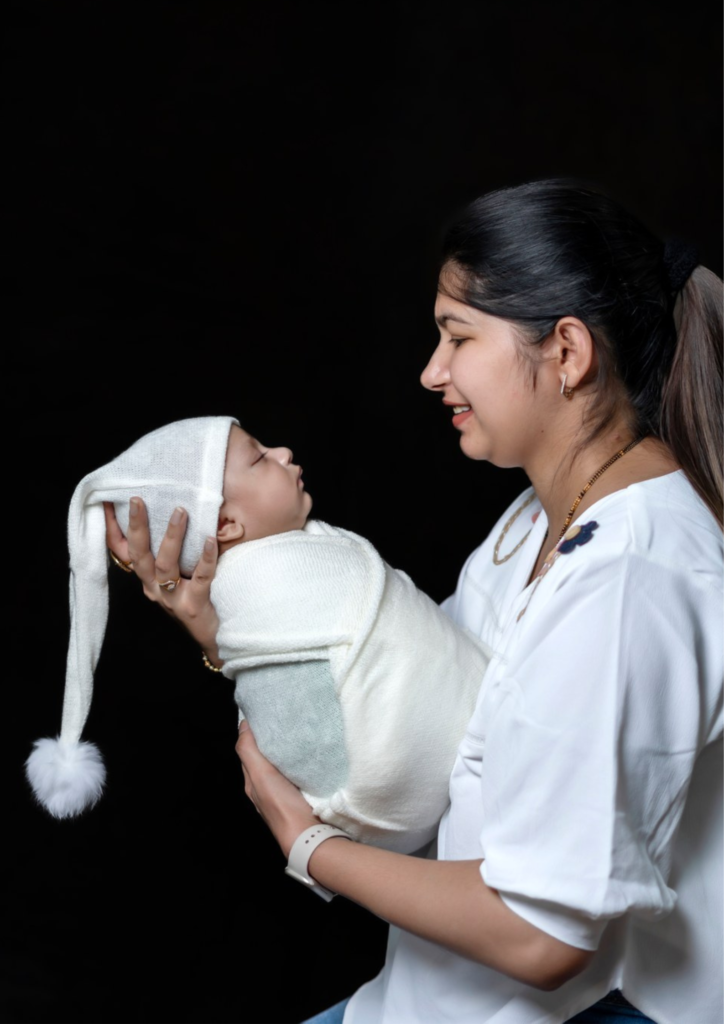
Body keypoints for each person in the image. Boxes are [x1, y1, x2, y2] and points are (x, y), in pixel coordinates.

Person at [105, 179, 723, 1024]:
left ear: (568, 353)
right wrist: (218, 628)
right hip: (415, 1002)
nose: (432, 372)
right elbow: (427, 734)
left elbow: (543, 938)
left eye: (458, 338)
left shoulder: (632, 581)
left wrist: (309, 845)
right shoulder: (537, 515)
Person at [26, 417, 489, 857]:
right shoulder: (259, 590)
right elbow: (292, 715)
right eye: (260, 458)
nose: (284, 452)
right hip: (394, 790)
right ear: (225, 524)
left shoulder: (301, 553)